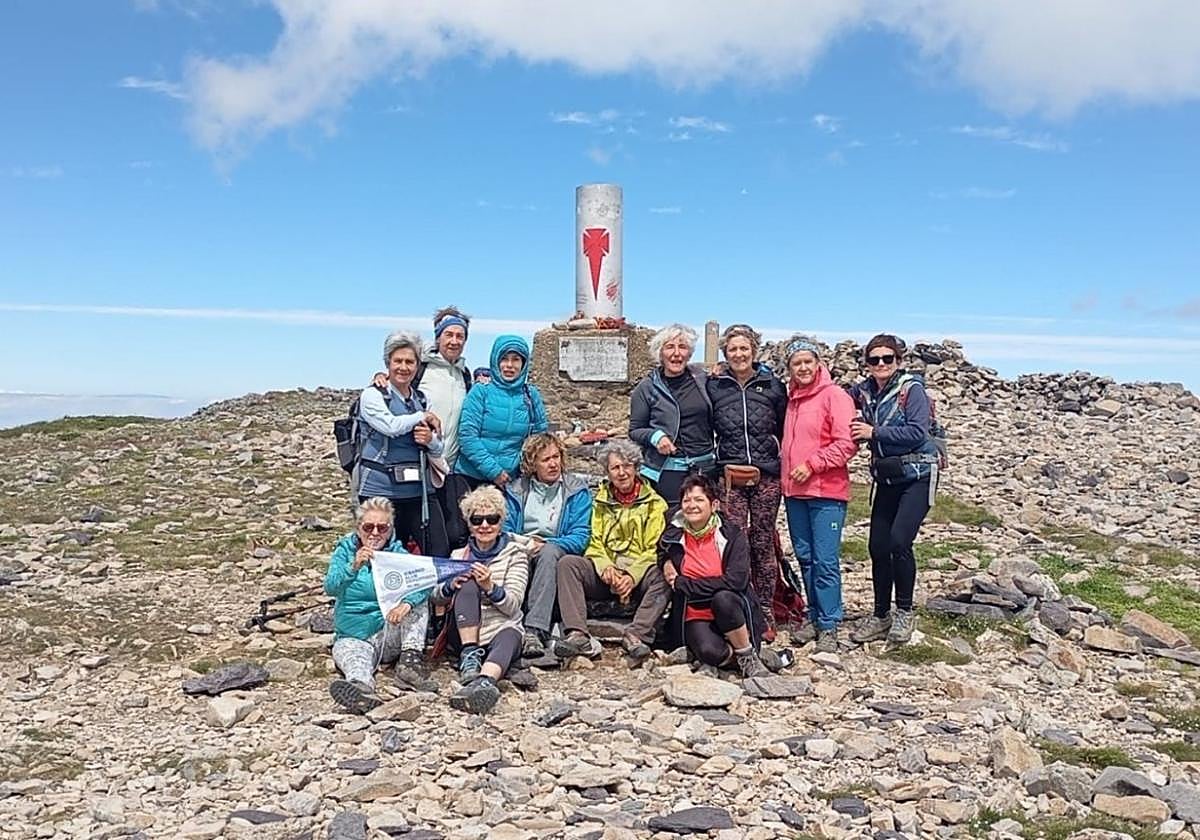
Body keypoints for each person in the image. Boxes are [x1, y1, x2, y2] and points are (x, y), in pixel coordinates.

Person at [848, 334, 940, 645]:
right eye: (874, 360)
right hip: (887, 477)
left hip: (917, 475)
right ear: (867, 363)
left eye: (887, 358)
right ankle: (879, 614)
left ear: (898, 361)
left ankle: (904, 610)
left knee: (900, 541)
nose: (881, 364)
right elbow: (832, 398)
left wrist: (874, 432)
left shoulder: (911, 390)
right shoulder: (862, 391)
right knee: (877, 546)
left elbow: (917, 431)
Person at [554, 440, 671, 666]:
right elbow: (594, 541)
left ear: (636, 468)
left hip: (639, 575)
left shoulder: (656, 504)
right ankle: (578, 634)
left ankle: (636, 635)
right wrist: (606, 567)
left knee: (663, 574)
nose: (622, 472)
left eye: (627, 466)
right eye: (615, 468)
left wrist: (630, 576)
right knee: (568, 564)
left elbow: (652, 549)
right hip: (605, 573)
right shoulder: (598, 502)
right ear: (607, 472)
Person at [706, 324, 788, 635]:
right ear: (725, 352)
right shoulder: (715, 385)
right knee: (735, 541)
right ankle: (742, 604)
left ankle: (765, 607)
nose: (739, 354)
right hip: (729, 477)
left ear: (754, 350)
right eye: (733, 349)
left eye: (744, 348)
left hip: (766, 474)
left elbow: (783, 426)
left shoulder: (772, 385)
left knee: (763, 541)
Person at [780, 337, 858, 653]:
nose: (802, 368)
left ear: (818, 364)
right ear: (789, 368)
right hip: (795, 492)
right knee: (806, 558)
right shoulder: (792, 399)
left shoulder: (834, 396)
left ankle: (829, 624)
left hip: (826, 492)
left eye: (807, 362)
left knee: (825, 560)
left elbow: (847, 443)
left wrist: (813, 464)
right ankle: (814, 615)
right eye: (796, 363)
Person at [325, 497, 434, 714]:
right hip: (354, 635)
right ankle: (361, 690)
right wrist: (353, 566)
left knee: (417, 604)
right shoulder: (344, 551)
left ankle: (409, 664)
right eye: (368, 527)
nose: (375, 533)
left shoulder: (398, 554)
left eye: (382, 528)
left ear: (390, 530)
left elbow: (425, 581)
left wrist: (406, 604)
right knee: (357, 664)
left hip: (388, 632)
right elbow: (331, 587)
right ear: (358, 528)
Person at [432, 486, 533, 714]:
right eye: (477, 520)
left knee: (509, 636)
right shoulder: (458, 556)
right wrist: (451, 586)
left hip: (501, 623)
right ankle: (469, 655)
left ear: (501, 522)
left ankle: (484, 681)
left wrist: (490, 587)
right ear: (469, 523)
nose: (484, 525)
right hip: (465, 626)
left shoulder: (515, 555)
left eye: (492, 519)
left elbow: (513, 605)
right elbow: (435, 596)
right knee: (466, 583)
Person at [658, 474, 770, 679]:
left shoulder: (732, 535)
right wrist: (665, 562)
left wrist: (686, 585)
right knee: (709, 652)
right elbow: (662, 552)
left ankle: (747, 656)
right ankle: (734, 658)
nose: (692, 506)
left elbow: (736, 581)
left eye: (699, 500)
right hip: (695, 611)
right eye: (687, 500)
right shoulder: (674, 534)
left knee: (723, 598)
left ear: (714, 504)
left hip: (731, 608)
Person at [355, 331, 448, 557]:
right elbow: (391, 426)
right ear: (388, 363)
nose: (403, 367)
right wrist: (422, 416)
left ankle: (431, 593)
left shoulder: (421, 398)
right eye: (398, 361)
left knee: (438, 548)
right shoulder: (372, 396)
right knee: (383, 554)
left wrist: (431, 440)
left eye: (410, 362)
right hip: (380, 490)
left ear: (417, 366)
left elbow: (437, 447)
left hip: (418, 491)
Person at [502, 433, 592, 657]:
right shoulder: (516, 490)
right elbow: (505, 531)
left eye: (556, 457)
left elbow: (580, 535)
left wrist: (546, 543)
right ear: (533, 464)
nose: (553, 464)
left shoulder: (576, 490)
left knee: (549, 553)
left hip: (557, 548)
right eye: (545, 460)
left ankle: (535, 630)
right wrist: (527, 544)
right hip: (522, 547)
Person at [629, 324, 715, 507]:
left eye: (682, 347)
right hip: (667, 469)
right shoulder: (646, 388)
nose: (677, 353)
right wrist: (655, 436)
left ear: (690, 354)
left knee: (703, 523)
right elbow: (635, 430)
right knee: (670, 525)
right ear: (660, 353)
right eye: (669, 347)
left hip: (704, 466)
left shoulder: (703, 379)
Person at [456, 335, 549, 488]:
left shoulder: (530, 395)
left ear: (524, 363)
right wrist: (494, 472)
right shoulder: (481, 392)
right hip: (471, 477)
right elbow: (467, 437)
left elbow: (539, 438)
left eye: (516, 359)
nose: (509, 365)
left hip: (511, 480)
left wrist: (520, 466)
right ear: (496, 361)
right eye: (504, 359)